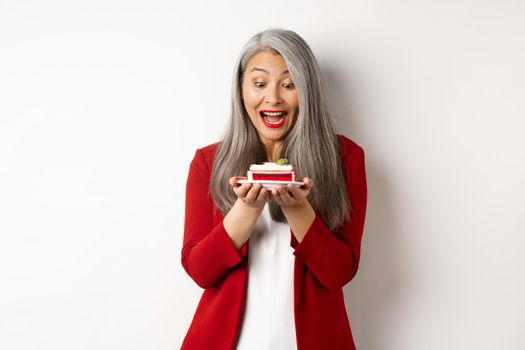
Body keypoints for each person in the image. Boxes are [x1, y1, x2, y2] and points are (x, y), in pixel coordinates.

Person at [180, 28, 367, 350]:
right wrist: (247, 209)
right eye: (260, 83)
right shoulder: (209, 161)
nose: (273, 98)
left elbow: (338, 272)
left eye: (289, 84)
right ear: (241, 90)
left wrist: (297, 208)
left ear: (307, 92)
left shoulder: (344, 157)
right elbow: (201, 272)